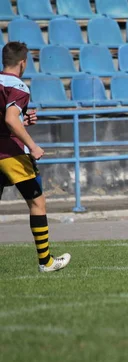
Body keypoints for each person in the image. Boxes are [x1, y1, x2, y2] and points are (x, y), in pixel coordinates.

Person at [0, 42, 71, 272]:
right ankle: (46, 262)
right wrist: (33, 144)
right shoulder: (19, 87)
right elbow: (10, 119)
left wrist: (22, 122)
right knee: (37, 203)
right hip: (10, 153)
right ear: (23, 63)